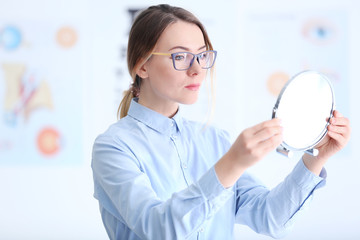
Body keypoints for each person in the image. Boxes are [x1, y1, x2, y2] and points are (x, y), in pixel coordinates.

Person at [91, 4, 351, 240]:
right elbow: (160, 230)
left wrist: (316, 158)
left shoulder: (214, 139)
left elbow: (271, 218)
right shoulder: (113, 148)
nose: (197, 69)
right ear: (142, 66)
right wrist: (231, 164)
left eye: (202, 55)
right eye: (180, 56)